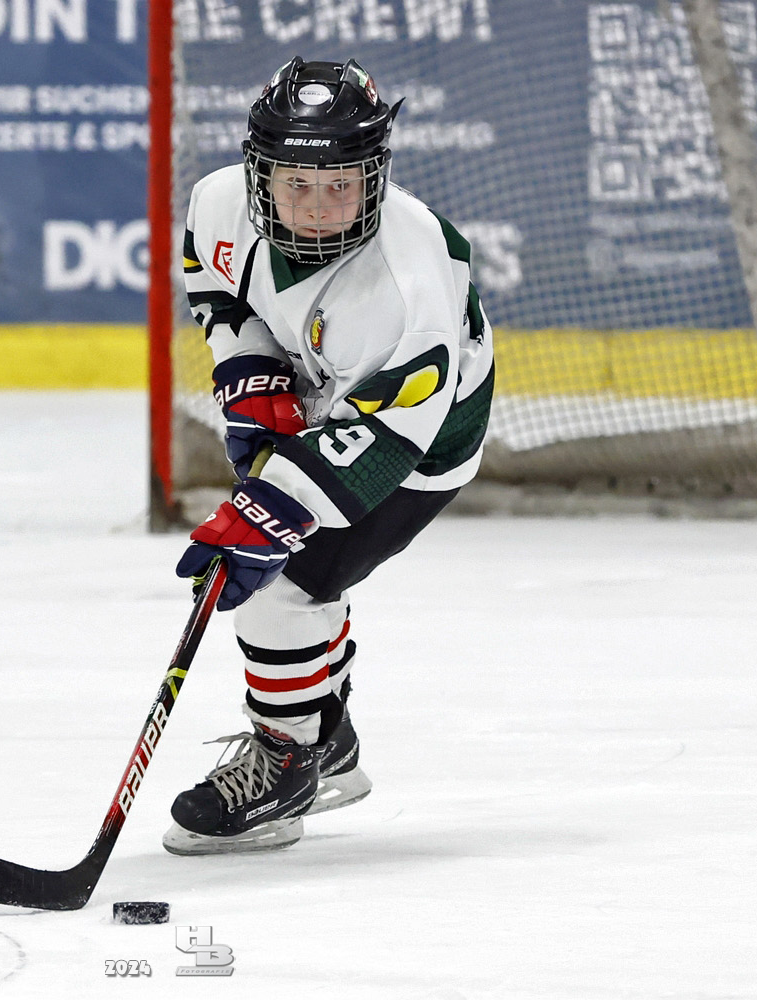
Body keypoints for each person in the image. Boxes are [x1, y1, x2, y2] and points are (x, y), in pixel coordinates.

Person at [166, 56, 496, 856]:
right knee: (294, 576)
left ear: (374, 177)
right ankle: (328, 738)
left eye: (341, 184)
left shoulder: (404, 283)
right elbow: (214, 286)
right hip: (329, 383)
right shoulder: (217, 202)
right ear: (260, 176)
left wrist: (272, 509)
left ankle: (290, 765)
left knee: (283, 585)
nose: (318, 207)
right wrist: (250, 369)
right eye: (297, 185)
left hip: (421, 438)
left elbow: (387, 437)